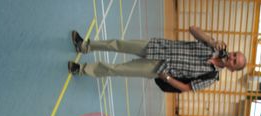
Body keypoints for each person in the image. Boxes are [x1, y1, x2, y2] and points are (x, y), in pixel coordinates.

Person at [67, 26, 246, 92]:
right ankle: (84, 46)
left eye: (234, 61)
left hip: (159, 69)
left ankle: (81, 69)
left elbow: (186, 88)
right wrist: (212, 41)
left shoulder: (211, 77)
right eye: (234, 54)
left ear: (232, 69)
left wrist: (166, 78)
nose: (231, 57)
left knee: (118, 69)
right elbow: (193, 29)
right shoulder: (213, 46)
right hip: (159, 46)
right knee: (118, 44)